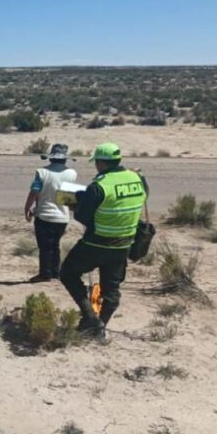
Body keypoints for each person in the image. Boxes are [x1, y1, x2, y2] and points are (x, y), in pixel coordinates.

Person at [60, 142, 148, 337]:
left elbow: (82, 216)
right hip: (124, 244)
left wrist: (77, 205)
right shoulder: (138, 179)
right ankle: (99, 327)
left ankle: (91, 317)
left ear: (100, 163)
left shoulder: (98, 186)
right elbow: (142, 198)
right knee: (111, 289)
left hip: (95, 243)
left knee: (68, 273)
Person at [24, 143, 78, 282]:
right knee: (55, 245)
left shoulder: (42, 172)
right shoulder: (72, 173)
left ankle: (45, 273)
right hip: (62, 216)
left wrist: (27, 209)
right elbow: (70, 196)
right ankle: (56, 271)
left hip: (44, 214)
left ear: (50, 158)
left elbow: (34, 192)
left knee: (44, 246)